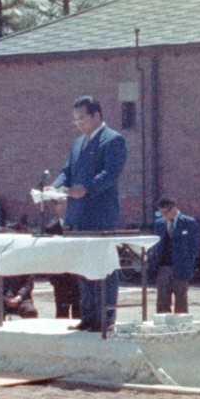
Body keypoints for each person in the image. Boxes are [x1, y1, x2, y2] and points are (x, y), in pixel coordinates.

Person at [51, 95, 127, 332]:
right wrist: (55, 187)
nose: (79, 124)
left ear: (96, 115)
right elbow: (67, 171)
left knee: (102, 265)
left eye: (82, 119)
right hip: (78, 215)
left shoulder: (113, 140)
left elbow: (111, 173)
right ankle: (89, 316)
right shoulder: (77, 144)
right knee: (84, 267)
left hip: (100, 214)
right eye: (75, 121)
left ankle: (106, 317)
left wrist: (87, 188)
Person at [148, 196, 200, 315]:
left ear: (173, 209)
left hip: (181, 266)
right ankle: (162, 324)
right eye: (160, 213)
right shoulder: (159, 224)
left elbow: (195, 246)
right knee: (162, 299)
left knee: (181, 299)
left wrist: (189, 261)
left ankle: (181, 325)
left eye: (165, 213)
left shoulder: (188, 222)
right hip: (163, 267)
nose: (164, 216)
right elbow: (157, 244)